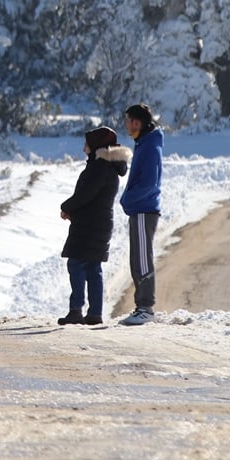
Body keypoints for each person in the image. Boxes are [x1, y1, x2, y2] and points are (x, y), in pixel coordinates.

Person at [58, 127, 131, 326]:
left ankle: (76, 310)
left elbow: (85, 195)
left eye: (87, 144)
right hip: (100, 224)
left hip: (89, 225)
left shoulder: (99, 167)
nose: (84, 149)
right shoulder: (108, 166)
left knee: (77, 265)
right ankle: (95, 313)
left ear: (97, 145)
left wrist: (66, 207)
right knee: (93, 267)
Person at [119, 103, 163, 326]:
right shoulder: (143, 144)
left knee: (143, 260)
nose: (126, 125)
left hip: (145, 209)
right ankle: (141, 307)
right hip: (139, 209)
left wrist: (127, 199)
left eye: (128, 120)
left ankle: (146, 307)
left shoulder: (149, 147)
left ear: (137, 122)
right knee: (136, 259)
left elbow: (149, 183)